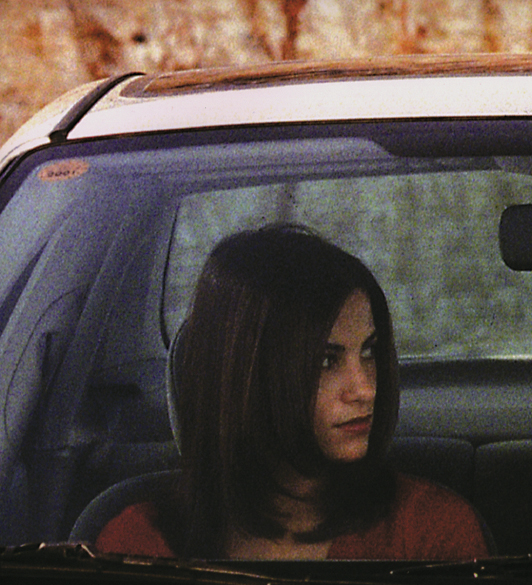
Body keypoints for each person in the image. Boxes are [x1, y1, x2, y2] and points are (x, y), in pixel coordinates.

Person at [95, 224, 493, 559]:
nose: (366, 389)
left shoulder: (429, 530)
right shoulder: (137, 546)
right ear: (248, 376)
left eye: (369, 352)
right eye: (326, 361)